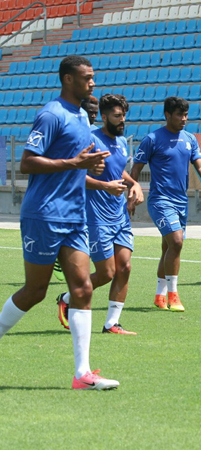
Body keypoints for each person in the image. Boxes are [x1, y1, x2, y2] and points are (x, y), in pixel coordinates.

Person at [0, 55, 119, 390]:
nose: (92, 82)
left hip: (74, 215)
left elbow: (76, 164)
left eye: (93, 77)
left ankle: (83, 374)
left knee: (82, 289)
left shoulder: (82, 115)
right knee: (35, 291)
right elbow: (27, 163)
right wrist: (73, 163)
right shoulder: (52, 114)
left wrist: (89, 166)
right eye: (87, 77)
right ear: (68, 79)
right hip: (44, 214)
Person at [56, 94, 143, 335]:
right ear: (103, 117)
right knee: (106, 273)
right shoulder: (90, 139)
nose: (122, 120)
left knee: (125, 267)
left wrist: (134, 184)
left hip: (119, 216)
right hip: (96, 218)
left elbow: (119, 171)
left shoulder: (122, 141)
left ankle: (112, 323)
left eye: (124, 115)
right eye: (117, 116)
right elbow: (74, 175)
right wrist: (105, 186)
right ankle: (67, 297)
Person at [130, 97, 201, 312]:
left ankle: (159, 296)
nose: (184, 119)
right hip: (160, 200)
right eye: (179, 115)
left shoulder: (189, 139)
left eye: (186, 115)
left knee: (168, 247)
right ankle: (173, 295)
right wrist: (131, 195)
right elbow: (135, 169)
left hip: (181, 201)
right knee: (177, 242)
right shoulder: (152, 139)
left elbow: (199, 164)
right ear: (167, 115)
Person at [53, 93, 101, 283]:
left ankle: (71, 263)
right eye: (90, 112)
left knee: (87, 228)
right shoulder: (72, 129)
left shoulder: (97, 132)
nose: (93, 115)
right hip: (72, 188)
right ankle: (60, 256)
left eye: (96, 112)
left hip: (92, 190)